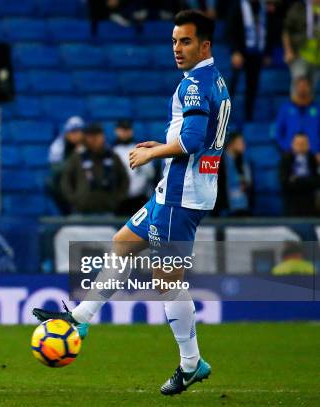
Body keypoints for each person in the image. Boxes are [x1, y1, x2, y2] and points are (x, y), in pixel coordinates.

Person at [33, 10, 230, 395]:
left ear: (204, 45)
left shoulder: (193, 85)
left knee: (167, 281)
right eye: (174, 40)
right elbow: (199, 139)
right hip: (182, 186)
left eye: (185, 41)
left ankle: (191, 364)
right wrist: (163, 147)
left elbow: (190, 141)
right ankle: (81, 317)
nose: (177, 48)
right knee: (123, 242)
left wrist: (151, 155)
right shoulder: (214, 80)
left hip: (181, 194)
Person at [60, 123, 129, 214]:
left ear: (103, 137)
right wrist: (75, 200)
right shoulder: (77, 158)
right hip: (81, 212)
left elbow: (124, 180)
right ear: (85, 138)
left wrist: (116, 200)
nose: (94, 139)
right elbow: (66, 181)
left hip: (108, 211)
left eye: (97, 136)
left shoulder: (112, 157)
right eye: (91, 136)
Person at [226, 0, 275, 121]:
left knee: (252, 88)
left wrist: (267, 52)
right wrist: (235, 51)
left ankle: (249, 118)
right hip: (241, 52)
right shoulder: (238, 6)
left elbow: (270, 30)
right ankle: (222, 115)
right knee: (232, 86)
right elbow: (231, 30)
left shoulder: (264, 7)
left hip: (257, 53)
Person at [112, 118, 156, 214]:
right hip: (118, 199)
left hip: (139, 199)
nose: (125, 132)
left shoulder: (140, 149)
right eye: (122, 129)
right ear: (116, 131)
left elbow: (150, 174)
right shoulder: (111, 152)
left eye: (127, 129)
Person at [47, 116, 85, 215]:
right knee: (52, 182)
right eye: (73, 132)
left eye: (78, 131)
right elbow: (56, 169)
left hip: (84, 180)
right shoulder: (58, 146)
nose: (76, 135)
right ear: (67, 133)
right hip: (65, 180)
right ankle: (67, 213)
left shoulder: (88, 144)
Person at [275, 75, 320, 158]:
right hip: (290, 154)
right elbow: (278, 132)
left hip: (314, 155)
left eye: (305, 86)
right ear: (295, 88)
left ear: (310, 88)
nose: (302, 89)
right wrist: (286, 148)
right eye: (300, 86)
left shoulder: (317, 109)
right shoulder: (285, 108)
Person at [283, 0, 320, 94]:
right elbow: (286, 30)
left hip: (317, 59)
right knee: (298, 89)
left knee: (311, 91)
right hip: (299, 55)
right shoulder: (299, 7)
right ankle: (293, 109)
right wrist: (288, 51)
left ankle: (310, 109)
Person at [279, 133, 319, 216]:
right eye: (298, 143)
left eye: (303, 143)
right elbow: (284, 182)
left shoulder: (313, 159)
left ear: (308, 145)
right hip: (292, 203)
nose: (301, 146)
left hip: (309, 203)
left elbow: (317, 181)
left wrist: (296, 180)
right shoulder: (285, 159)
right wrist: (307, 181)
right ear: (292, 144)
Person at [213, 132, 253, 216]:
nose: (243, 145)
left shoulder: (243, 162)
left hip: (242, 209)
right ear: (231, 144)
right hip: (224, 209)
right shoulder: (219, 161)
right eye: (240, 142)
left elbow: (249, 183)